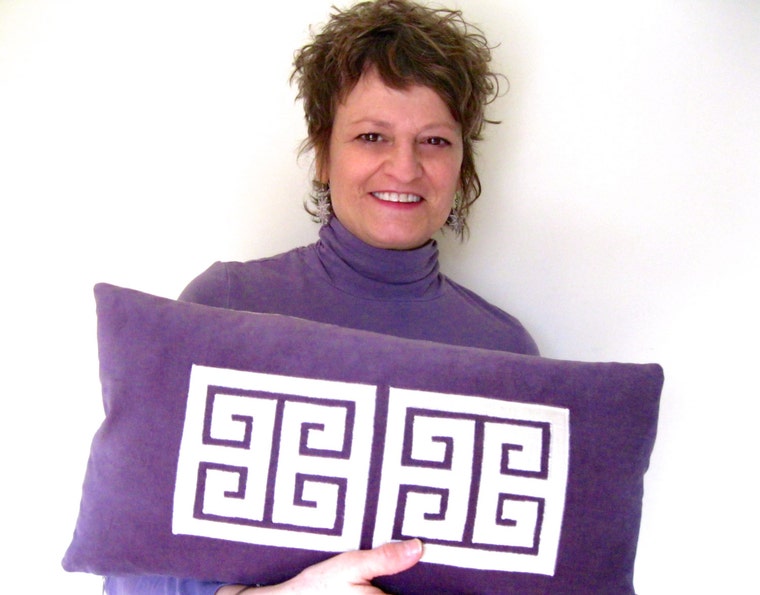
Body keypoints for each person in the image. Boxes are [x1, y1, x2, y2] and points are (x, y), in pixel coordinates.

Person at [104, 0, 538, 593]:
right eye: (371, 136)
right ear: (322, 154)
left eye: (435, 140)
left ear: (463, 166)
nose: (404, 167)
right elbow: (131, 568)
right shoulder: (224, 305)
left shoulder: (506, 351)